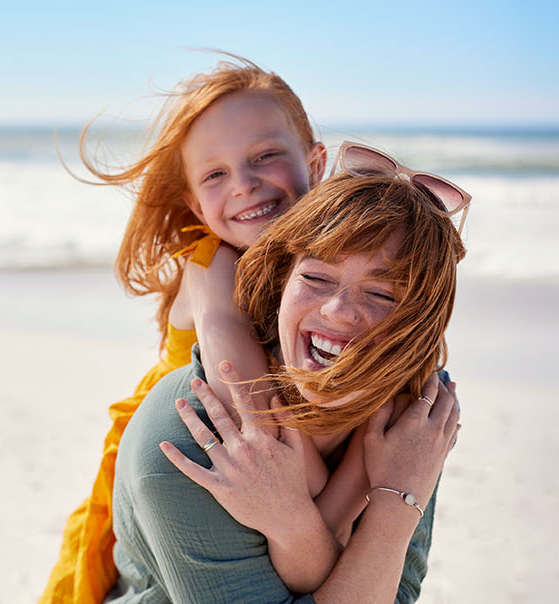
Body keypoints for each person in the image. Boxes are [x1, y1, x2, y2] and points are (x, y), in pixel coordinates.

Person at [106, 156, 470, 603]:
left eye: (381, 293)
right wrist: (393, 508)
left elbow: (399, 594)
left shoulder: (415, 425)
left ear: (420, 323)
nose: (338, 310)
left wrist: (298, 525)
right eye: (316, 277)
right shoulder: (190, 439)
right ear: (282, 284)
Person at [41, 54, 335, 603]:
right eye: (215, 174)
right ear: (195, 204)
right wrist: (320, 493)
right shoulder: (210, 266)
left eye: (265, 156)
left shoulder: (326, 269)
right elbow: (243, 395)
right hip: (181, 462)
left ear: (315, 163)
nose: (244, 184)